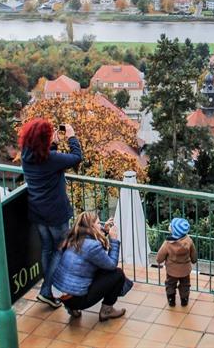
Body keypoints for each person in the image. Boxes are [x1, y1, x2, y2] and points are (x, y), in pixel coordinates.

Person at [19, 118, 82, 308]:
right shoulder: (51, 159)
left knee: (47, 248)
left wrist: (52, 144)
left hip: (37, 212)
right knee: (61, 249)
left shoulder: (26, 155)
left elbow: (45, 160)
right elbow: (76, 157)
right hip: (55, 214)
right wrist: (71, 137)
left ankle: (48, 289)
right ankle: (47, 290)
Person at [51, 211, 131, 321]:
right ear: (90, 227)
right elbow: (111, 264)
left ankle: (71, 308)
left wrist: (103, 231)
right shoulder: (92, 247)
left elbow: (93, 248)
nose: (101, 225)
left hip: (61, 295)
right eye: (98, 223)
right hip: (77, 299)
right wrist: (113, 240)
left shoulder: (73, 237)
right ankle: (106, 311)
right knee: (117, 274)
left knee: (97, 269)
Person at [157, 217, 197, 307]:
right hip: (185, 270)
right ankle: (184, 299)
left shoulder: (167, 243)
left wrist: (159, 260)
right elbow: (194, 254)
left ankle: (171, 300)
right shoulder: (189, 241)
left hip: (172, 270)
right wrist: (194, 260)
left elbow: (160, 257)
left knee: (170, 284)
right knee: (185, 285)